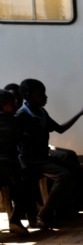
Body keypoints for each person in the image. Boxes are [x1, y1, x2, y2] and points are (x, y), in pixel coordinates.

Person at [15, 78, 83, 228]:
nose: (45, 97)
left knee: (78, 171)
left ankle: (64, 210)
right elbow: (16, 142)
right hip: (31, 160)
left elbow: (60, 129)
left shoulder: (41, 111)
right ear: (28, 96)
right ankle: (45, 213)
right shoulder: (22, 116)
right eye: (41, 94)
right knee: (64, 175)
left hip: (43, 157)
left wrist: (81, 113)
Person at [0, 89, 38, 233]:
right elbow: (25, 141)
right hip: (9, 165)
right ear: (5, 104)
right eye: (13, 102)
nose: (16, 105)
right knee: (26, 185)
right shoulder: (14, 121)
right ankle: (16, 220)